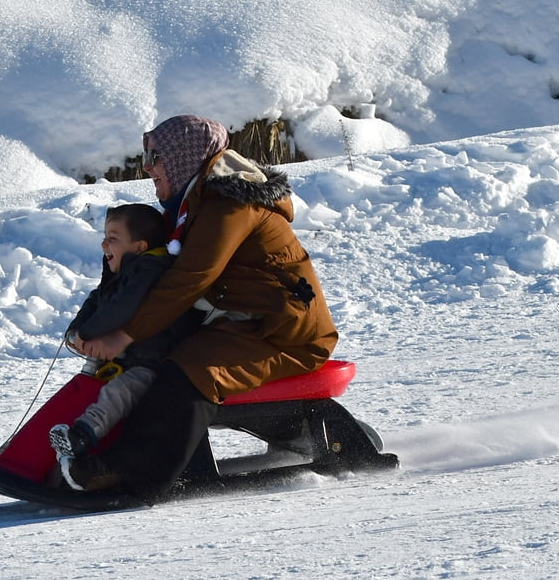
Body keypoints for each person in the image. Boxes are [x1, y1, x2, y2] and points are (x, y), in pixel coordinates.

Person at [64, 114, 395, 500]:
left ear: (184, 157)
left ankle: (134, 474)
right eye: (146, 155)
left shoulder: (228, 202)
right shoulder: (193, 202)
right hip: (243, 325)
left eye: (156, 155)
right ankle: (100, 450)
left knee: (187, 372)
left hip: (284, 333)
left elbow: (191, 277)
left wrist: (125, 333)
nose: (148, 166)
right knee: (154, 359)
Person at [50, 203, 202, 490]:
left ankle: (82, 436)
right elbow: (98, 299)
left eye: (113, 238)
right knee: (90, 385)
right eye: (105, 236)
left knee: (120, 391)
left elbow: (123, 307)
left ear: (140, 246)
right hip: (132, 357)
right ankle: (35, 451)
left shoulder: (149, 270)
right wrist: (77, 330)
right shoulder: (122, 271)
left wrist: (89, 332)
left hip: (156, 362)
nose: (104, 244)